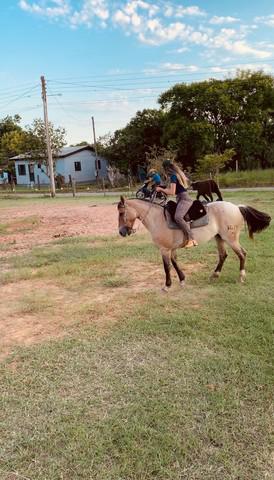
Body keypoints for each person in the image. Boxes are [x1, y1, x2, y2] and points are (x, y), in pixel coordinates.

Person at [156, 160, 198, 248]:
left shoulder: (173, 176)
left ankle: (192, 239)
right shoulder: (176, 175)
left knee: (178, 217)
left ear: (166, 168)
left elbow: (172, 192)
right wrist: (162, 188)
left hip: (184, 199)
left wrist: (161, 190)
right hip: (181, 198)